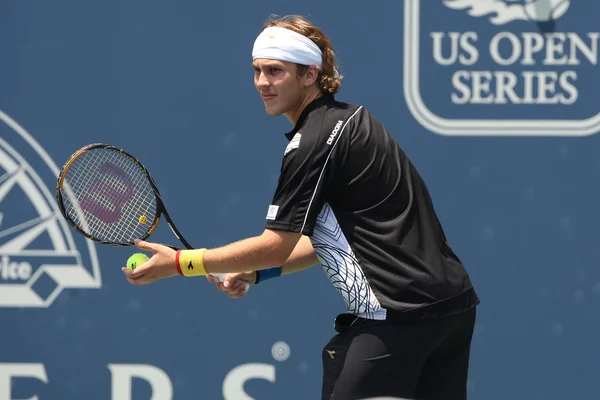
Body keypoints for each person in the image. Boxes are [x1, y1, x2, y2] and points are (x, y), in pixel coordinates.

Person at [122, 14, 480, 400]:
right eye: (257, 70)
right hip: (451, 310)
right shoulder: (355, 121)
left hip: (399, 317)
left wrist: (182, 264)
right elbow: (335, 242)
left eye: (275, 71)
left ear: (310, 74)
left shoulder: (311, 143)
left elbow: (276, 244)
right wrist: (257, 274)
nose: (262, 82)